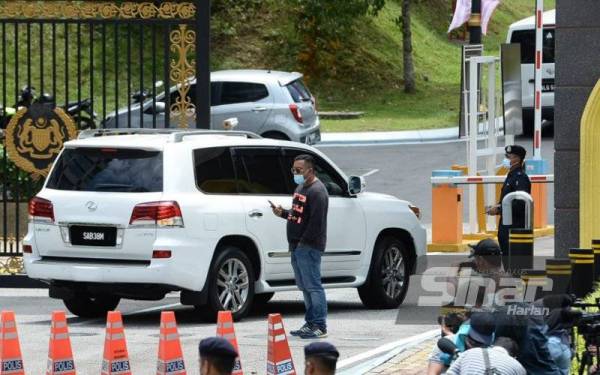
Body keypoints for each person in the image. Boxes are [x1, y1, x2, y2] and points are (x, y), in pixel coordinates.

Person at [272, 154, 329, 339]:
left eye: (299, 170)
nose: (295, 173)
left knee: (313, 286)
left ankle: (320, 325)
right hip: (296, 245)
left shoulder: (317, 191)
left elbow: (316, 224)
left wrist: (303, 244)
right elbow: (298, 216)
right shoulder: (301, 187)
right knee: (304, 286)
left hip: (308, 246)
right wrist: (282, 213)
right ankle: (310, 322)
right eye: (293, 170)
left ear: (310, 171)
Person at [486, 145, 531, 269]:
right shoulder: (511, 176)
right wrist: (497, 207)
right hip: (506, 227)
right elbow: (507, 201)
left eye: (508, 157)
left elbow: (521, 203)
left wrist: (499, 209)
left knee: (515, 266)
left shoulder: (520, 178)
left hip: (515, 228)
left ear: (516, 159)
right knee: (508, 264)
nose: (506, 159)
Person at [446, 336, 526, 375]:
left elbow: (450, 373)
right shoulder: (518, 367)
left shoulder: (472, 351)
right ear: (514, 357)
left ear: (491, 346)